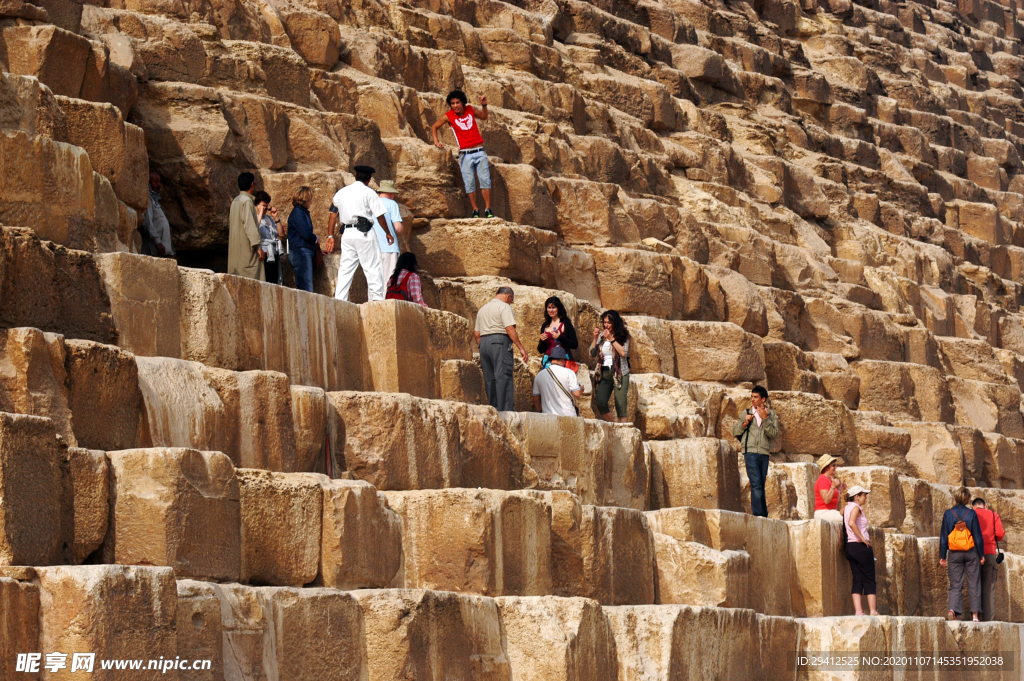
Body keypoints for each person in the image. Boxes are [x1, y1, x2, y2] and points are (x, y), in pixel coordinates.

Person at [325, 166, 395, 302]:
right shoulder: (369, 193)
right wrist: (388, 232)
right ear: (369, 180)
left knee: (345, 269)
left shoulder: (341, 193)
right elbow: (380, 215)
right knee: (373, 267)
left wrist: (330, 236)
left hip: (347, 234)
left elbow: (333, 215)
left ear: (355, 175)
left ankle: (340, 300)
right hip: (364, 233)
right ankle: (377, 300)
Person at [431, 89, 494, 219]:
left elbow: (484, 117)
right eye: (452, 103)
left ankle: (488, 209)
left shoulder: (470, 109)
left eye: (457, 102)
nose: (455, 106)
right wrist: (436, 141)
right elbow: (434, 127)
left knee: (485, 180)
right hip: (465, 154)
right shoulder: (448, 116)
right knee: (469, 183)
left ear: (462, 102)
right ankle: (475, 210)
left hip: (479, 151)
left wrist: (484, 105)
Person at [474, 286, 529, 411]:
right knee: (503, 375)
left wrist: (483, 345)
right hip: (499, 342)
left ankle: (493, 408)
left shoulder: (482, 309)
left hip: (483, 344)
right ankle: (505, 410)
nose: (511, 303)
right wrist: (521, 347)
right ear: (509, 296)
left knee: (489, 378)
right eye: (512, 300)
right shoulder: (504, 307)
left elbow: (476, 333)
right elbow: (509, 328)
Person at [731, 386, 779, 518]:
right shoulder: (746, 412)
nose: (753, 399)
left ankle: (763, 514)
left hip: (763, 453)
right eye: (752, 396)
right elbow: (735, 432)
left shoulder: (771, 414)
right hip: (750, 452)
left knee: (760, 484)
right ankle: (759, 514)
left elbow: (774, 434)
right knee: (756, 483)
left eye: (756, 397)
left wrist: (765, 419)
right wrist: (745, 422)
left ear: (763, 399)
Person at [939, 486, 985, 622]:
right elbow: (977, 536)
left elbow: (943, 537)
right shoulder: (971, 514)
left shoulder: (948, 514)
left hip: (954, 552)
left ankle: (953, 609)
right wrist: (981, 554)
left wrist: (942, 556)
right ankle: (975, 616)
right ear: (967, 499)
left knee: (955, 583)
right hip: (971, 552)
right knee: (974, 583)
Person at [589, 310, 631, 424]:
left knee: (620, 405)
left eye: (609, 322)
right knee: (601, 402)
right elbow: (591, 353)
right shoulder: (602, 336)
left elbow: (623, 353)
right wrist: (595, 338)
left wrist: (612, 338)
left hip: (620, 373)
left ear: (615, 323)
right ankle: (615, 426)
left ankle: (622, 431)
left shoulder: (622, 335)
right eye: (605, 322)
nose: (606, 325)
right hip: (605, 373)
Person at [843, 486, 878, 616]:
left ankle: (858, 611)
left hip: (850, 547)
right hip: (859, 546)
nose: (865, 497)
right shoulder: (856, 508)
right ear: (857, 496)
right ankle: (873, 611)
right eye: (864, 495)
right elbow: (852, 523)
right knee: (869, 578)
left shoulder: (847, 507)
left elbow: (842, 514)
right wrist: (863, 539)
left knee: (857, 578)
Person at [228, 172, 265, 280]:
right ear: (252, 184)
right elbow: (250, 226)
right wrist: (258, 248)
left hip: (236, 255)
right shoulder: (247, 201)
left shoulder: (235, 201)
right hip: (247, 254)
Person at [972, 496, 1004, 622]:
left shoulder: (971, 513)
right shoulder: (993, 514)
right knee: (989, 587)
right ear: (985, 506)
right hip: (989, 553)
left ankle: (975, 617)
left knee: (974, 584)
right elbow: (1000, 534)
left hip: (973, 553)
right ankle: (988, 620)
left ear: (973, 506)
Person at [532, 346, 582, 417]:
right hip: (568, 416)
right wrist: (581, 390)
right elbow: (577, 393)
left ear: (551, 359)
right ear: (562, 359)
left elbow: (536, 399)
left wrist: (540, 410)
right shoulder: (569, 372)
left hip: (548, 417)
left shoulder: (539, 375)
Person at [287, 186, 319, 292]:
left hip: (302, 251)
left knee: (305, 286)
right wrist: (316, 239)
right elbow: (306, 234)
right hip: (301, 252)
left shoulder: (301, 212)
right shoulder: (298, 213)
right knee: (306, 288)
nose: (311, 201)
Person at [140, 172, 174, 257]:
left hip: (164, 250)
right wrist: (158, 242)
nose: (159, 185)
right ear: (149, 183)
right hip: (155, 248)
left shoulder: (155, 200)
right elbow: (147, 223)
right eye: (156, 182)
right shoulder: (148, 200)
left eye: (159, 182)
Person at [538, 296, 579, 366]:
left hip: (563, 360)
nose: (551, 310)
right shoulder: (545, 326)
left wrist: (560, 337)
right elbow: (540, 350)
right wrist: (542, 340)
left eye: (553, 307)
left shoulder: (566, 323)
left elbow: (574, 344)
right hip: (548, 360)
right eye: (549, 308)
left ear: (558, 308)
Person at [377, 180, 404, 283]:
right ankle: (385, 299)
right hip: (388, 246)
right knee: (388, 278)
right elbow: (398, 228)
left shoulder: (372, 203)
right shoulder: (392, 204)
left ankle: (373, 299)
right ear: (391, 193)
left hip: (372, 247)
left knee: (374, 280)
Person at [254, 191, 283, 285]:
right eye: (263, 205)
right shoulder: (253, 217)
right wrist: (260, 214)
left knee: (273, 281)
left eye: (267, 206)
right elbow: (254, 230)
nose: (265, 208)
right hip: (262, 253)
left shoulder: (268, 219)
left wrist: (276, 218)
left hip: (273, 253)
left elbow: (281, 234)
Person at [813, 454, 846, 522]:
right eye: (833, 465)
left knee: (852, 515)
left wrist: (839, 490)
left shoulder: (829, 480)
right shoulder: (822, 479)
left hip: (831, 512)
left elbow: (834, 500)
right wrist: (833, 486)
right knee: (850, 517)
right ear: (826, 468)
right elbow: (826, 500)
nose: (836, 467)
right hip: (823, 513)